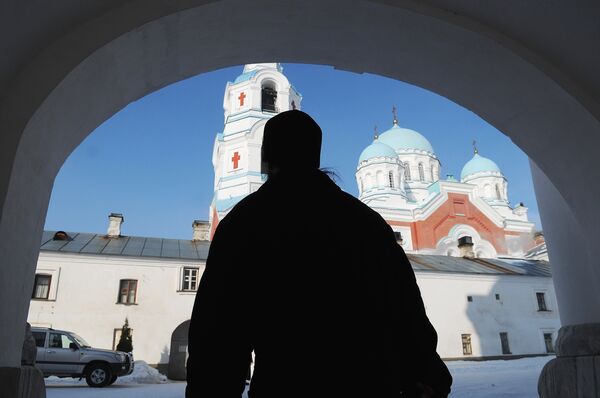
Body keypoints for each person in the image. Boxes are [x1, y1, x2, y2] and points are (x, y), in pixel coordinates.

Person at [186, 110, 452, 398]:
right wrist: (426, 373)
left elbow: (218, 330)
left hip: (286, 384)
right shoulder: (364, 221)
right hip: (370, 384)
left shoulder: (246, 222)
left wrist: (210, 389)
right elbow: (404, 304)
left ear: (265, 158)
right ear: (315, 156)